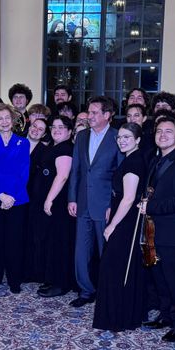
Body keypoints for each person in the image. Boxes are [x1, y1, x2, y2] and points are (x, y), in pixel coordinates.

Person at [138, 114, 175, 343]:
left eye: (168, 131)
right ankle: (165, 315)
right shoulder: (155, 160)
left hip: (173, 233)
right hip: (153, 230)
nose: (163, 135)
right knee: (159, 277)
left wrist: (151, 205)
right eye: (159, 131)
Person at [92, 123, 147, 330]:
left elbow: (129, 198)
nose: (122, 141)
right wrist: (110, 208)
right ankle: (122, 314)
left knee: (114, 267)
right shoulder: (130, 158)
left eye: (127, 137)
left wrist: (112, 225)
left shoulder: (133, 162)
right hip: (122, 215)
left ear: (138, 140)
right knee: (117, 266)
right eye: (120, 137)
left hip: (125, 221)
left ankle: (117, 317)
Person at [67, 96, 121, 307]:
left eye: (94, 113)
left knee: (105, 251)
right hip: (82, 203)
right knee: (81, 252)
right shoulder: (81, 137)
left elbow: (120, 175)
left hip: (105, 204)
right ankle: (86, 290)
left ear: (107, 115)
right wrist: (72, 198)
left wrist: (113, 206)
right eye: (89, 112)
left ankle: (108, 292)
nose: (89, 116)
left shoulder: (118, 137)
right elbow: (76, 171)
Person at [0, 104, 30, 293]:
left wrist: (11, 197)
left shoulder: (23, 142)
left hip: (17, 199)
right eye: (0, 118)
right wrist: (0, 195)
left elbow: (23, 172)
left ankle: (14, 280)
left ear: (13, 121)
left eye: (7, 118)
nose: (4, 122)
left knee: (14, 241)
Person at [34, 116, 76, 298]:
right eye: (54, 126)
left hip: (58, 202)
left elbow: (62, 176)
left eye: (61, 127)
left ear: (69, 131)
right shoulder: (54, 146)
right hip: (50, 200)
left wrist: (49, 199)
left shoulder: (66, 148)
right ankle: (51, 278)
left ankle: (60, 283)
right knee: (50, 241)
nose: (56, 129)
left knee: (58, 242)